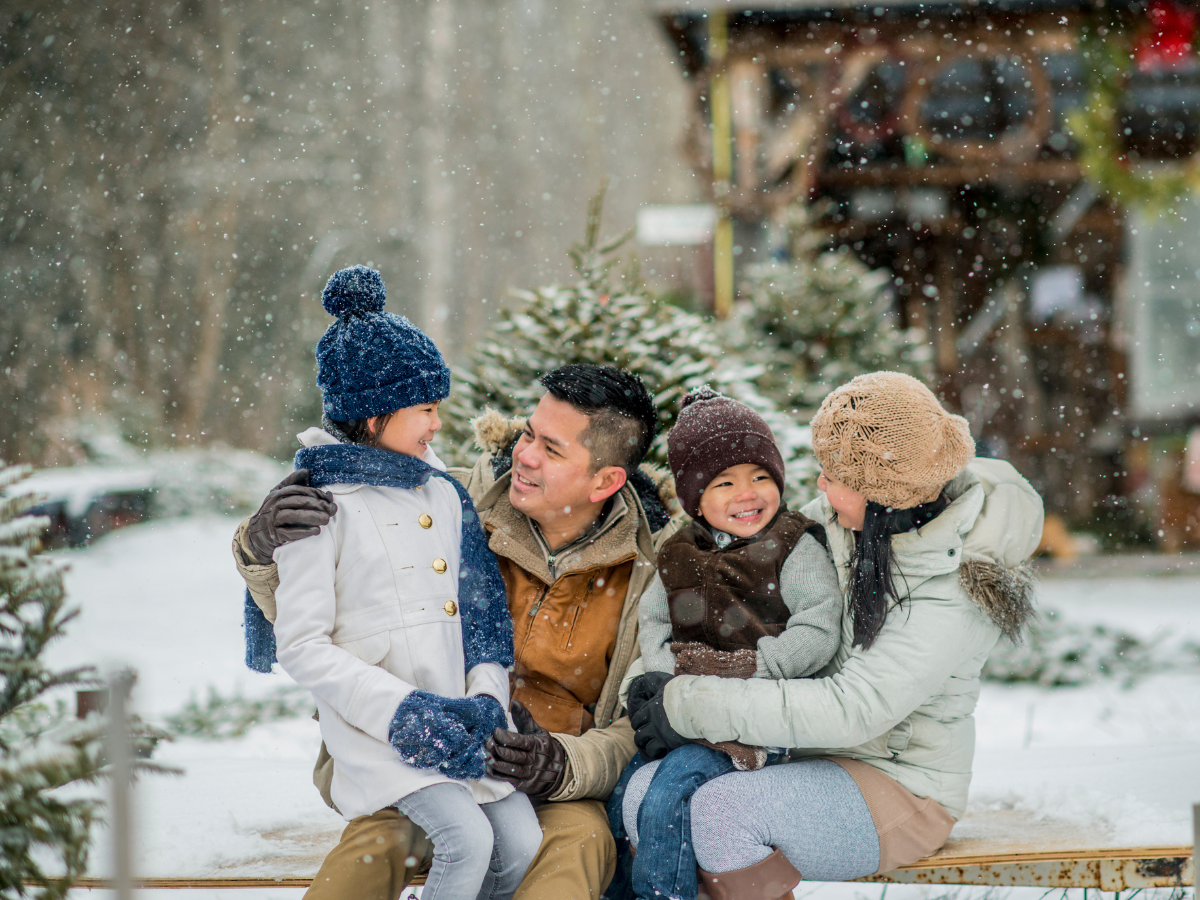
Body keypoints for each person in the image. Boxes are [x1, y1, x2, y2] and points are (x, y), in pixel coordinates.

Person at [234, 361, 680, 900]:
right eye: (528, 434)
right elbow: (327, 624)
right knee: (382, 844)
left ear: (605, 480)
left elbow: (638, 725)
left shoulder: (650, 573)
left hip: (552, 787)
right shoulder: (443, 499)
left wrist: (563, 763)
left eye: (553, 449)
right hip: (415, 757)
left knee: (577, 843)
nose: (525, 455)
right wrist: (262, 549)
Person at [627, 371, 1043, 900]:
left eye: (833, 474)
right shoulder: (844, 526)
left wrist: (687, 706)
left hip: (901, 784)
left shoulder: (954, 587)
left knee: (720, 813)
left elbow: (854, 708)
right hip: (804, 754)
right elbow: (718, 602)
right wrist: (656, 678)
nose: (819, 485)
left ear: (882, 493)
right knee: (643, 794)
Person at [254, 265, 541, 900]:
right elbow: (302, 645)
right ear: (373, 412)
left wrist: (487, 701)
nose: (438, 425)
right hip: (379, 732)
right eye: (426, 410)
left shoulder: (443, 493)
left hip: (463, 720)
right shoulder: (319, 505)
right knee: (466, 839)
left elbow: (483, 617)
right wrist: (403, 713)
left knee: (520, 841)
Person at [608, 387, 843, 900]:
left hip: (756, 720)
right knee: (622, 794)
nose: (748, 493)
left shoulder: (792, 546)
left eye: (761, 477)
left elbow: (819, 627)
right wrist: (670, 683)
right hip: (685, 717)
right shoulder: (678, 553)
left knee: (672, 793)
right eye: (725, 482)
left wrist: (752, 666)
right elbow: (654, 624)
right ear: (695, 499)